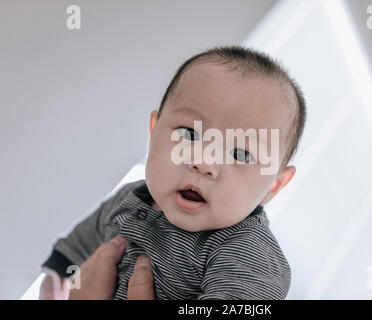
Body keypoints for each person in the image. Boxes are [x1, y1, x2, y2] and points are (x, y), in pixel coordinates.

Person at [40, 45, 307, 300]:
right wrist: (58, 276)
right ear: (154, 131)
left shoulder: (246, 254)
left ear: (273, 186)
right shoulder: (130, 198)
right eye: (190, 134)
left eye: (240, 154)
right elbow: (76, 249)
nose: (203, 163)